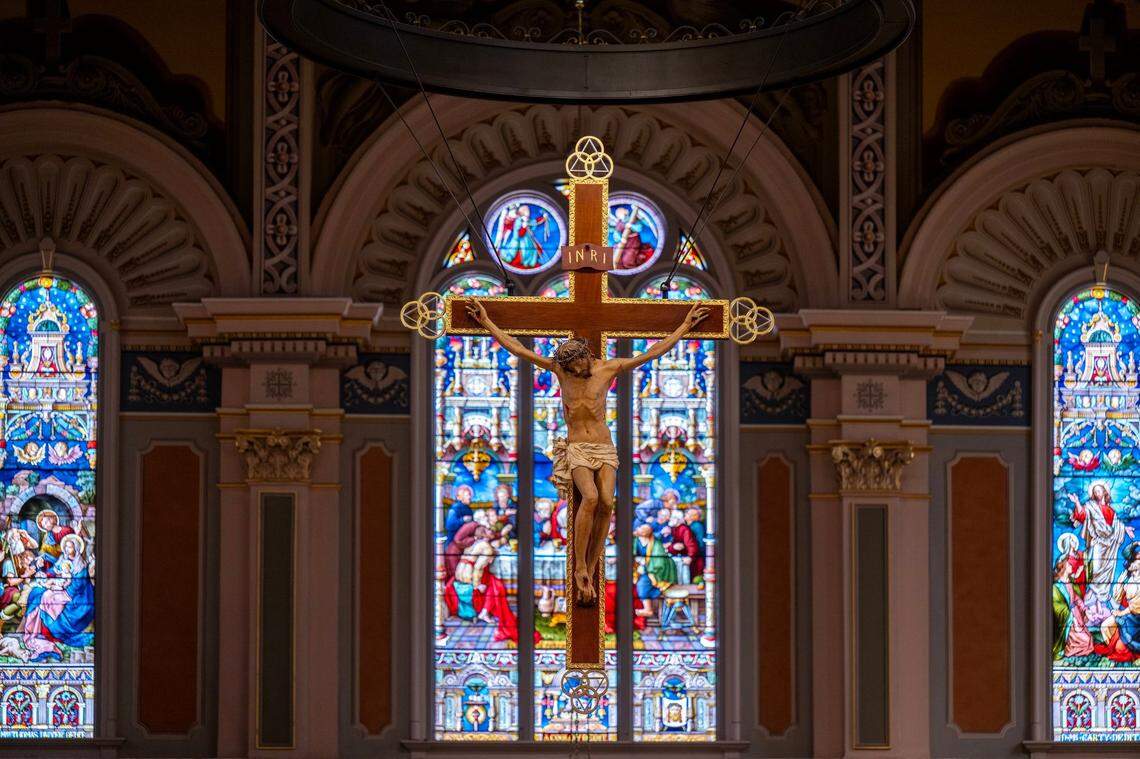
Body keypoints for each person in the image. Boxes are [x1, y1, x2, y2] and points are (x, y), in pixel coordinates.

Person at [468, 300, 709, 606]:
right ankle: (579, 564)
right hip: (577, 448)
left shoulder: (607, 368)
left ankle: (591, 565)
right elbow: (518, 349)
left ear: (586, 356)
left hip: (604, 446)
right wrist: (487, 322)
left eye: (578, 366)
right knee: (591, 498)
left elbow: (651, 353)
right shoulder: (560, 369)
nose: (575, 372)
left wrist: (685, 327)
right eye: (569, 369)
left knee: (607, 502)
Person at [23, 534, 94, 662]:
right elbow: (55, 570)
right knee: (36, 592)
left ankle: (47, 632)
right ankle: (36, 632)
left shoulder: (81, 565)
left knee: (47, 597)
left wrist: (58, 587)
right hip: (60, 587)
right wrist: (46, 575)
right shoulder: (63, 558)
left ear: (77, 549)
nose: (67, 550)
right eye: (66, 547)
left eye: (70, 547)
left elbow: (77, 586)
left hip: (74, 596)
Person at [1069, 484, 1133, 614]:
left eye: (1099, 490)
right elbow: (1082, 515)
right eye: (1095, 491)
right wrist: (1076, 502)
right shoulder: (1091, 506)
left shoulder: (1111, 511)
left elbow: (1117, 526)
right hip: (1097, 544)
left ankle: (1100, 605)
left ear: (1105, 492)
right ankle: (1090, 603)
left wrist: (1125, 529)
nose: (1097, 493)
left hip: (1109, 548)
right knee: (1095, 571)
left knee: (1106, 575)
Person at [1096, 544, 1140, 662]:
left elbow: (1136, 606)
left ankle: (1124, 648)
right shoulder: (1126, 578)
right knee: (1105, 626)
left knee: (1121, 648)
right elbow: (1118, 599)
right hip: (1126, 615)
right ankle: (1113, 646)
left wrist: (1119, 613)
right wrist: (1110, 597)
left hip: (1136, 619)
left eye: (1135, 559)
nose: (1130, 562)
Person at [634, 523, 677, 618]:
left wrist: (644, 566)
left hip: (658, 571)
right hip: (642, 568)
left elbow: (659, 562)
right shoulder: (637, 541)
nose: (638, 529)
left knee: (643, 583)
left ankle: (648, 609)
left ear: (645, 533)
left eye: (641, 529)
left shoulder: (656, 544)